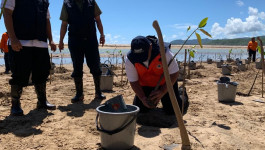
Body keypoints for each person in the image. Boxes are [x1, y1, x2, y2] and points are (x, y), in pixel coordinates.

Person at [2, 0, 57, 116]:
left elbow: (47, 20)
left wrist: (51, 39)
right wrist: (13, 38)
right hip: (20, 42)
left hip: (41, 43)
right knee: (19, 74)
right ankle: (15, 104)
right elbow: (7, 13)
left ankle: (42, 101)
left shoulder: (44, 1)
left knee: (42, 73)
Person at [125, 36, 189, 115]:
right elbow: (133, 81)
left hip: (165, 83)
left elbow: (174, 73)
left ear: (150, 47)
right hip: (145, 85)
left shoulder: (164, 53)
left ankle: (181, 92)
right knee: (140, 110)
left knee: (173, 110)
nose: (141, 60)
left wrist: (162, 91)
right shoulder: (130, 59)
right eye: (138, 57)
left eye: (144, 55)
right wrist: (142, 98)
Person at [59, 0, 106, 103]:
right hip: (75, 41)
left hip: (91, 40)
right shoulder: (67, 4)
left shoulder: (91, 2)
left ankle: (98, 92)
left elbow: (98, 20)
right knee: (77, 67)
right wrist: (61, 40)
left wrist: (102, 35)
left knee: (95, 66)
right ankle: (79, 94)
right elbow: (64, 24)